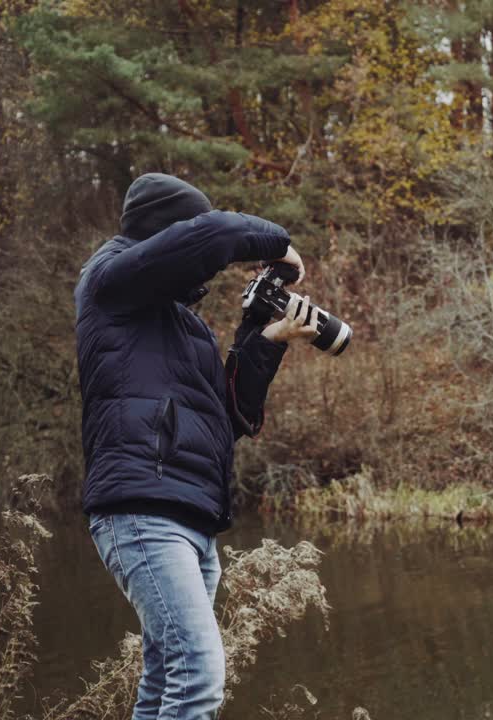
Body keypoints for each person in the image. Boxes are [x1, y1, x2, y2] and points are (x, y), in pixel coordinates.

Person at [74, 173, 319, 720]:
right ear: (163, 233)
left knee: (167, 680)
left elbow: (227, 417)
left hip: (190, 520)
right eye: (184, 228)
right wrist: (278, 243)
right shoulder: (108, 280)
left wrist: (267, 337)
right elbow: (212, 236)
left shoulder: (182, 325)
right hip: (142, 511)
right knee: (200, 676)